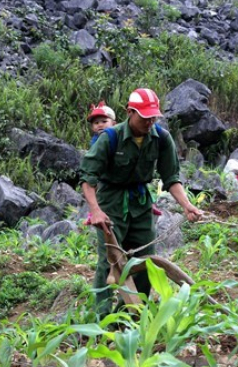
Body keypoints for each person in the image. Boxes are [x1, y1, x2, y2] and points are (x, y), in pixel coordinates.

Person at [80, 88, 203, 317]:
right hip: (111, 204)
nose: (149, 123)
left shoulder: (161, 139)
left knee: (146, 262)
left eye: (153, 118)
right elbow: (88, 179)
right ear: (130, 112)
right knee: (110, 262)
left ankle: (130, 316)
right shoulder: (110, 138)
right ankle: (100, 319)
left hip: (140, 203)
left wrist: (188, 206)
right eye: (144, 117)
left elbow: (171, 178)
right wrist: (95, 211)